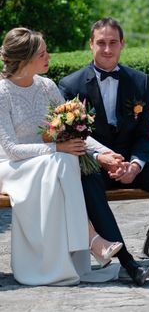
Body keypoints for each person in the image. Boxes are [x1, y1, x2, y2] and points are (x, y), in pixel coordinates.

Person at [59, 18, 149, 285]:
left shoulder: (139, 81)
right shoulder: (70, 86)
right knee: (85, 183)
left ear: (122, 45)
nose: (107, 49)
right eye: (101, 43)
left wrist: (136, 165)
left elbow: (145, 133)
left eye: (113, 43)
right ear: (91, 45)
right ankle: (128, 261)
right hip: (94, 165)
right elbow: (73, 136)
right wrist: (100, 158)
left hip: (131, 162)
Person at [0, 27, 121, 285]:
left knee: (64, 161)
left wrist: (104, 153)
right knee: (62, 159)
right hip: (12, 167)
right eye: (42, 53)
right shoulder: (2, 93)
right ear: (25, 58)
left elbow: (77, 132)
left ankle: (86, 244)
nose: (49, 57)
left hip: (50, 164)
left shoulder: (47, 86)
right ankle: (91, 240)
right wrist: (57, 149)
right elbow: (10, 149)